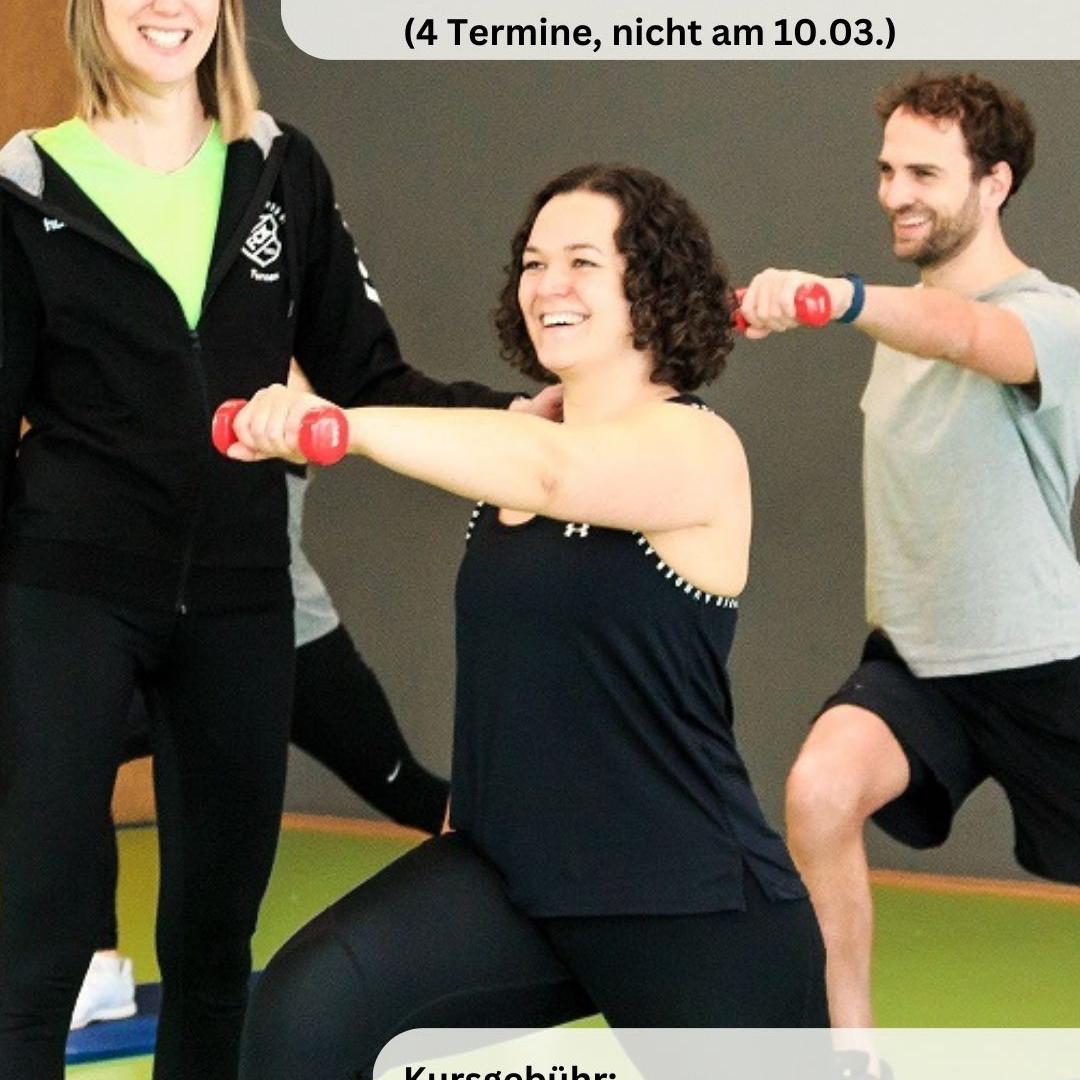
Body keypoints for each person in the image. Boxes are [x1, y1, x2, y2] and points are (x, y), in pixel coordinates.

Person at [0, 0, 543, 1074]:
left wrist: (509, 418)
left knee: (213, 949)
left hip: (243, 599)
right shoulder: (24, 186)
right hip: (66, 593)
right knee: (35, 951)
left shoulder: (282, 171)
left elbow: (367, 378)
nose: (168, 7)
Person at [226, 163, 829, 1080]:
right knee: (302, 1014)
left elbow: (552, 471)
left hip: (683, 896)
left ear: (649, 285)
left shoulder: (698, 446)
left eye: (583, 261)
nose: (549, 284)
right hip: (511, 878)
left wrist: (340, 425)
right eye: (535, 263)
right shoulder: (518, 448)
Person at [738, 72, 1080, 1042]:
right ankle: (850, 1053)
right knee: (818, 791)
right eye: (887, 170)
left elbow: (968, 334)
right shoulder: (895, 322)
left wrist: (836, 298)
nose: (896, 193)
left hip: (1044, 660)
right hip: (919, 663)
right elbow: (921, 322)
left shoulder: (1053, 316)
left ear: (995, 183)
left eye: (924, 173)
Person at [71, 495, 450, 1031]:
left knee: (407, 791)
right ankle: (99, 962)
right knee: (75, 754)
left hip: (297, 645)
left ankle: (529, 887)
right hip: (194, 651)